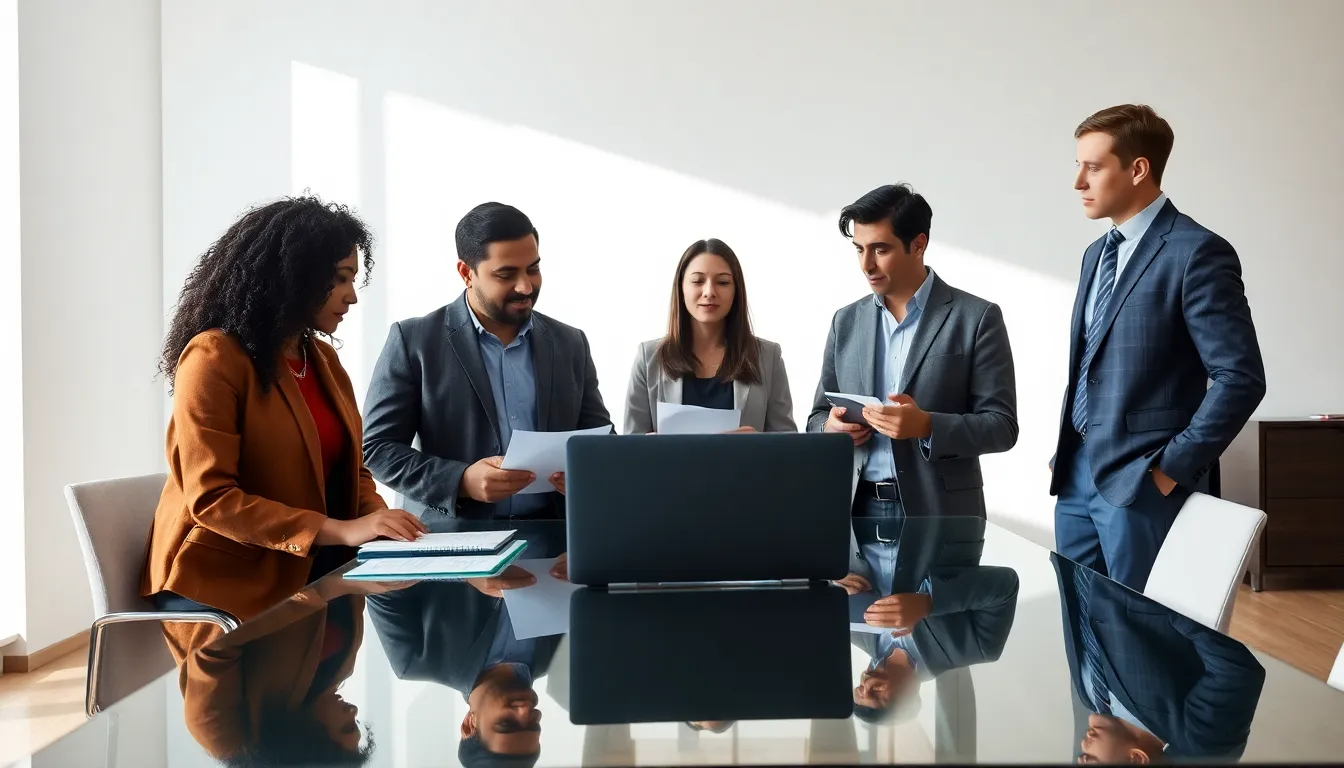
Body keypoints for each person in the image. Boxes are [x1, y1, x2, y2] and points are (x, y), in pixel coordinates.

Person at [142, 196, 428, 662]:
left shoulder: (323, 361)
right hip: (224, 587)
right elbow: (212, 500)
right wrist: (342, 530)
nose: (351, 296)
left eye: (353, 279)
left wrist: (382, 526)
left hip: (310, 571)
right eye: (339, 279)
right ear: (291, 274)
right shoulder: (213, 358)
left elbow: (351, 470)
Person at [1051, 104, 1266, 590]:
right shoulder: (1096, 254)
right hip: (1075, 478)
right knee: (1082, 632)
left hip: (1144, 485)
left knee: (1143, 643)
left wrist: (1170, 468)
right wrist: (1067, 448)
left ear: (1138, 169)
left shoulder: (1197, 251)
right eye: (1077, 166)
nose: (1078, 182)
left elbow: (1241, 377)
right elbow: (1094, 361)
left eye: (1094, 166)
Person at [363, 202, 612, 521]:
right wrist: (461, 481)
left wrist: (591, 471)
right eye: (506, 274)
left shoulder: (570, 342)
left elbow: (599, 438)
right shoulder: (414, 341)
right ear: (467, 273)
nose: (526, 286)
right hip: (455, 544)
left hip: (559, 539)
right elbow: (379, 448)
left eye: (533, 268)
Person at [807, 184, 1018, 518]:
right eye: (859, 248)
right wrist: (831, 428)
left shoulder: (976, 318)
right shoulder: (845, 322)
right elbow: (817, 416)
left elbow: (1002, 427)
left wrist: (927, 426)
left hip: (943, 514)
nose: (866, 264)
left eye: (880, 249)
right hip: (852, 513)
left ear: (918, 244)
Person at [1052, 553, 1264, 762]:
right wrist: (1164, 602)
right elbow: (1236, 672)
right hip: (1139, 552)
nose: (1081, 747)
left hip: (1074, 551)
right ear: (1136, 759)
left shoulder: (1089, 696)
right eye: (1090, 759)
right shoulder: (1201, 747)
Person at [624, 239, 795, 434]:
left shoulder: (768, 357)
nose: (709, 292)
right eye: (697, 281)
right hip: (670, 466)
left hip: (746, 466)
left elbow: (788, 447)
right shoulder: (648, 358)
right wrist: (649, 450)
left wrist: (757, 445)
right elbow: (628, 450)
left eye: (722, 282)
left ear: (736, 291)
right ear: (681, 288)